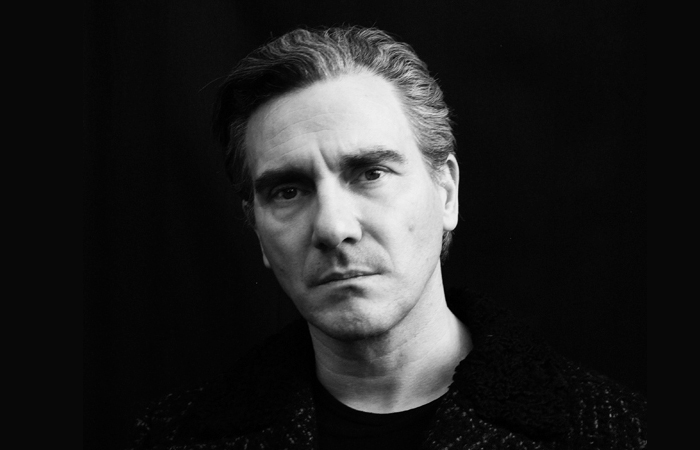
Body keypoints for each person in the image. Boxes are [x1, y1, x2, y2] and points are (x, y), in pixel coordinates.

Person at [128, 26, 646, 449]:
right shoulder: (167, 437)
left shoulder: (616, 432)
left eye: (370, 173)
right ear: (257, 228)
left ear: (446, 192)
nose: (333, 228)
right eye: (288, 191)